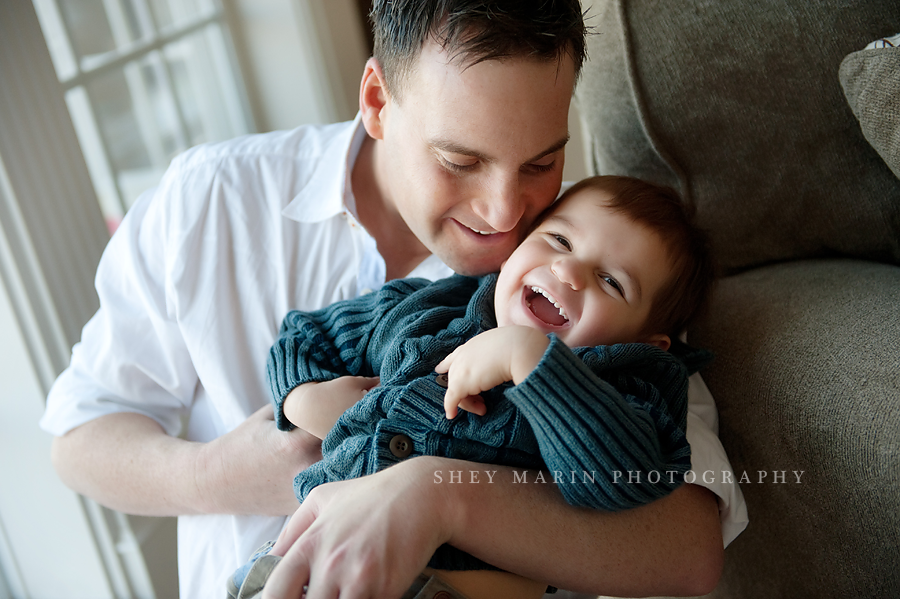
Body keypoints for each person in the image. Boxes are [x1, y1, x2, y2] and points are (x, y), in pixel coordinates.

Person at [41, 2, 747, 598]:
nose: (507, 211)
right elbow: (81, 437)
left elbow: (685, 544)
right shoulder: (210, 200)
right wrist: (227, 473)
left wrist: (437, 494)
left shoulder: (588, 260)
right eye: (460, 161)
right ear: (377, 101)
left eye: (541, 161)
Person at [229, 175, 715, 599]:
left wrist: (530, 360)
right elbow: (308, 334)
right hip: (298, 559)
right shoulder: (427, 309)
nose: (568, 271)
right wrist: (303, 397)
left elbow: (621, 482)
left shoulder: (624, 390)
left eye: (611, 281)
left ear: (648, 343)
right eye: (559, 241)